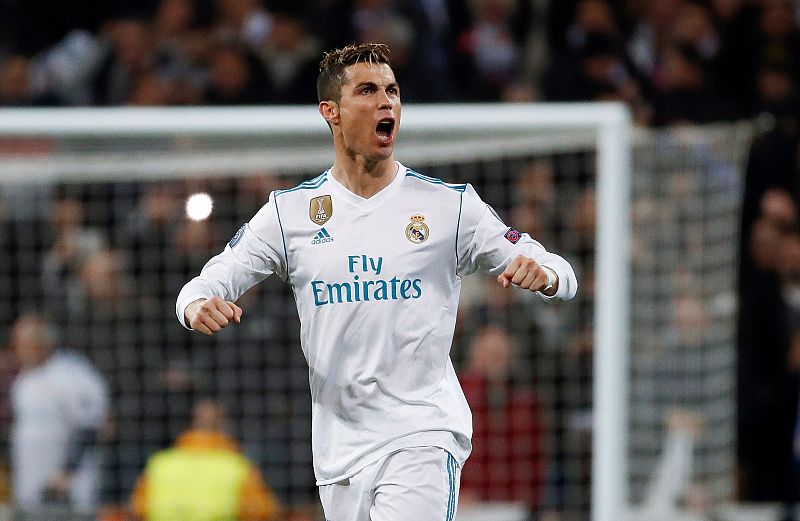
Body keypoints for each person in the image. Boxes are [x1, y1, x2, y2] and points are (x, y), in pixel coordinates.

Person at [176, 42, 577, 521]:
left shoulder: (448, 207)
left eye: (392, 91)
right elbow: (207, 282)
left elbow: (559, 269)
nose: (386, 102)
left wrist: (547, 275)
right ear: (332, 112)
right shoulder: (291, 214)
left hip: (421, 433)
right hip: (338, 448)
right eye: (367, 91)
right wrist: (197, 305)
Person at [8, 312, 109, 513]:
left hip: (68, 493)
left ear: (40, 343)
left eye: (20, 343)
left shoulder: (72, 373)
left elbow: (90, 426)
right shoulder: (24, 379)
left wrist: (66, 473)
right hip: (30, 491)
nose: (15, 349)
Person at [129, 399, 281, 521]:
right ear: (223, 425)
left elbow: (136, 511)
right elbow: (263, 513)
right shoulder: (237, 467)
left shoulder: (160, 464)